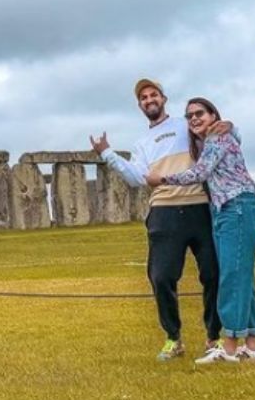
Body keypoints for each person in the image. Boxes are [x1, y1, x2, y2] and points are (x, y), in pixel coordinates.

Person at [90, 78, 228, 361]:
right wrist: (107, 154)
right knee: (161, 276)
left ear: (164, 99)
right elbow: (137, 178)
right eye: (143, 97)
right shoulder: (142, 144)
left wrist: (228, 126)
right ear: (140, 105)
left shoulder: (184, 124)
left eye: (154, 95)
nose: (149, 100)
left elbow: (212, 130)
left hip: (199, 206)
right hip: (163, 210)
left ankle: (213, 336)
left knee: (213, 273)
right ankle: (173, 337)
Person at [146, 97, 255, 364]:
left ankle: (231, 347)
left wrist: (162, 179)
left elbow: (199, 173)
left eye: (200, 113)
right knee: (243, 277)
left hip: (237, 208)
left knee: (232, 278)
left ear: (214, 116)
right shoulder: (212, 139)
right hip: (226, 210)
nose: (194, 119)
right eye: (189, 116)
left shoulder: (217, 139)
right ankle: (252, 345)